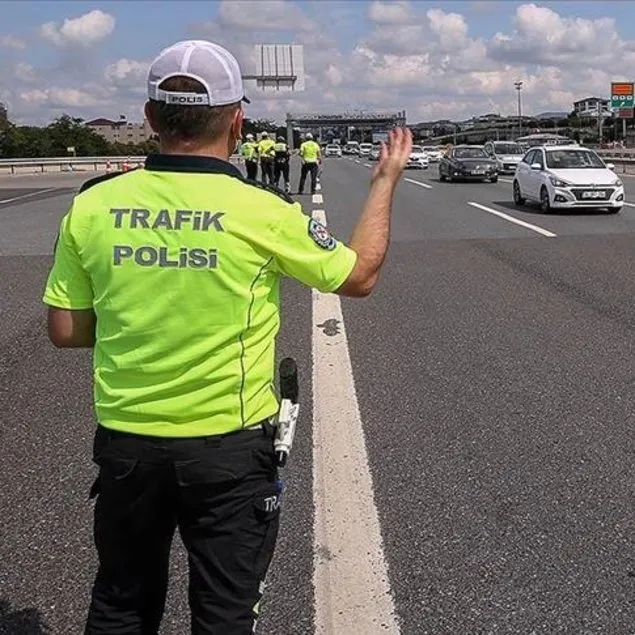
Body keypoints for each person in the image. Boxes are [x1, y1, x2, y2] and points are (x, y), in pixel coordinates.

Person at [41, 37, 412, 635]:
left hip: (127, 446)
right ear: (238, 120)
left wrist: (141, 320)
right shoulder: (261, 210)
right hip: (228, 450)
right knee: (225, 614)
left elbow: (65, 329)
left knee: (120, 603)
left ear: (150, 118)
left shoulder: (93, 206)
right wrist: (385, 181)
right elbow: (359, 275)